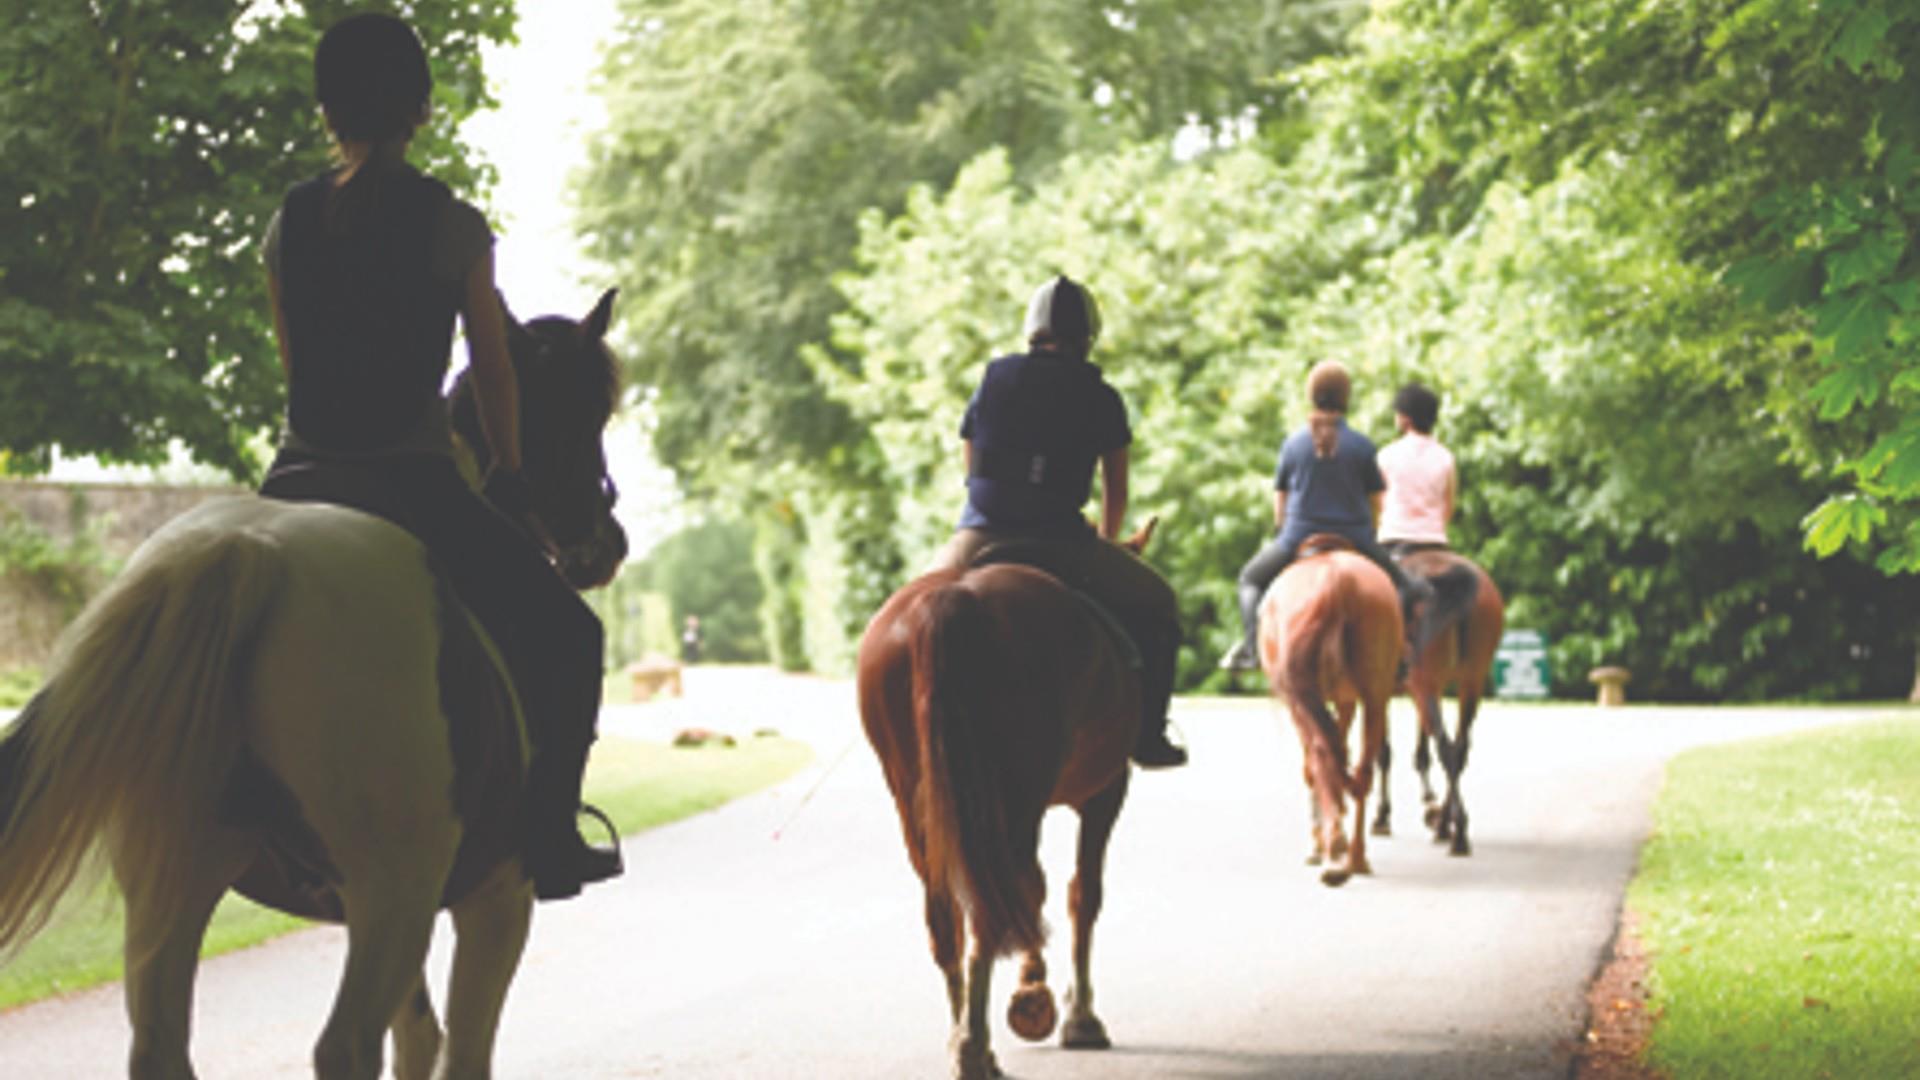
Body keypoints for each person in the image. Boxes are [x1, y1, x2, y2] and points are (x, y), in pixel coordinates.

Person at [256, 13, 620, 900]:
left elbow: (294, 366)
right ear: (420, 109)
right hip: (411, 482)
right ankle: (551, 834)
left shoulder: (287, 224)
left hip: (295, 478)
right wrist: (510, 476)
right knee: (573, 635)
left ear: (327, 109)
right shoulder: (452, 225)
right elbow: (492, 372)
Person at [928, 275, 1187, 768]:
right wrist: (1110, 542)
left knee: (913, 608)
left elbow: (971, 453)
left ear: (1031, 332)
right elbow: (1117, 489)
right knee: (1162, 606)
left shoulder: (994, 377)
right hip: (1060, 540)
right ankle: (1149, 736)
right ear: (1088, 337)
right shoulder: (1101, 395)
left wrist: (986, 510)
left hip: (979, 535)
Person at [1220, 361, 1431, 671]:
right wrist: (1369, 532)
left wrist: (1283, 530)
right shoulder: (1362, 445)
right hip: (1357, 538)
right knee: (1408, 586)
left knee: (1249, 579)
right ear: (1346, 398)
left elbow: (1281, 501)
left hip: (1297, 537)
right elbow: (1376, 501)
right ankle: (1398, 654)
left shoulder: (1293, 444)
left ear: (1311, 396)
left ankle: (1251, 650)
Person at [1375, 381, 1456, 558]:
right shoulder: (1446, 457)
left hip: (1394, 538)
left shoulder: (1386, 455)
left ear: (1405, 419)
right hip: (1435, 540)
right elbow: (1448, 507)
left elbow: (1378, 504)